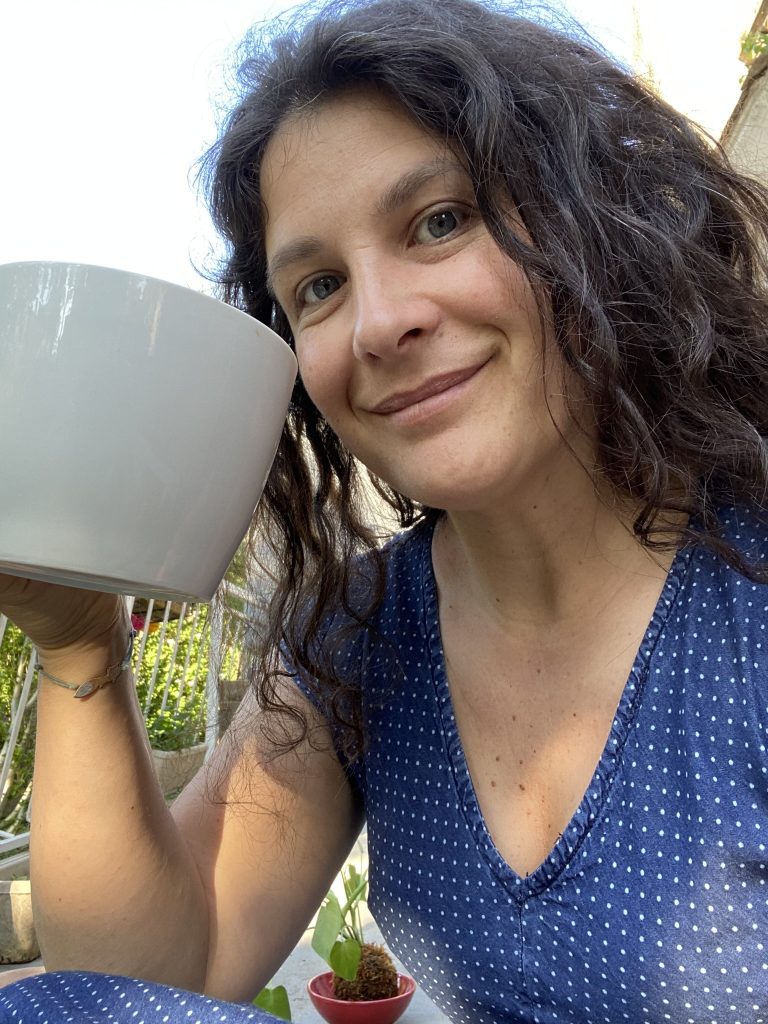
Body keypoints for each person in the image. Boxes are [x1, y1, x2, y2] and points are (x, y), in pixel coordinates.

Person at [2, 0, 768, 1021]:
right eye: (318, 285)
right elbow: (151, 979)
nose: (377, 322)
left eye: (439, 221)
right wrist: (78, 640)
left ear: (594, 219)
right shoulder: (361, 636)